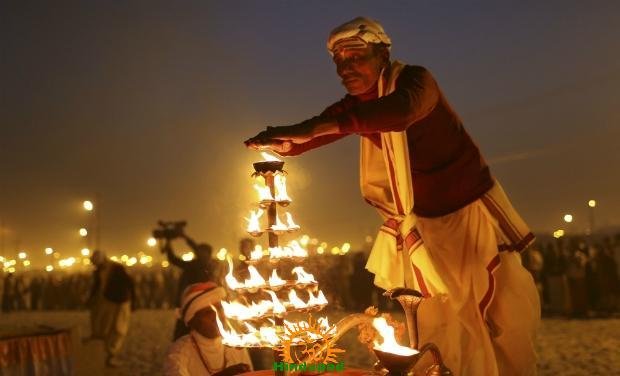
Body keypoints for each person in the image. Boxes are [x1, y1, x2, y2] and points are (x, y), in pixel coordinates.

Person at [245, 17, 540, 375]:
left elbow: (398, 113)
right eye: (338, 61)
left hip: (467, 215)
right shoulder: (357, 106)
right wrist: (287, 144)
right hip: (424, 228)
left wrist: (307, 131)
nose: (345, 68)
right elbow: (325, 128)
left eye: (355, 57)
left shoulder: (416, 82)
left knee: (491, 317)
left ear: (382, 54)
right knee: (439, 323)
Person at [164, 282, 252, 376]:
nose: (217, 316)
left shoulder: (236, 346)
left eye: (219, 308)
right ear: (192, 321)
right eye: (208, 312)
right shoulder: (178, 352)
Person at [163, 229, 217, 340]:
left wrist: (184, 237)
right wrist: (169, 243)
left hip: (202, 304)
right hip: (187, 303)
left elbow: (192, 250)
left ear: (208, 254)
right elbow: (173, 259)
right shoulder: (194, 264)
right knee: (183, 333)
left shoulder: (210, 266)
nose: (199, 253)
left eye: (202, 252)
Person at [87, 249, 135, 367]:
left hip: (121, 302)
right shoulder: (98, 271)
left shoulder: (117, 268)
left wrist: (134, 301)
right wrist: (90, 299)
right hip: (108, 302)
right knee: (103, 328)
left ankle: (111, 355)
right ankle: (104, 355)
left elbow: (130, 283)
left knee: (119, 330)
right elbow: (97, 286)